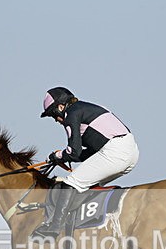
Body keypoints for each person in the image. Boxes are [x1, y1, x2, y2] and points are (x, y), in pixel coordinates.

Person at [32, 87, 139, 238]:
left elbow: (73, 151)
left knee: (71, 182)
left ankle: (54, 228)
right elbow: (88, 153)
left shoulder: (71, 114)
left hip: (115, 152)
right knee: (87, 186)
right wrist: (62, 157)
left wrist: (58, 156)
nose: (56, 120)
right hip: (131, 152)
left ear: (61, 107)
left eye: (53, 115)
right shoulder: (87, 108)